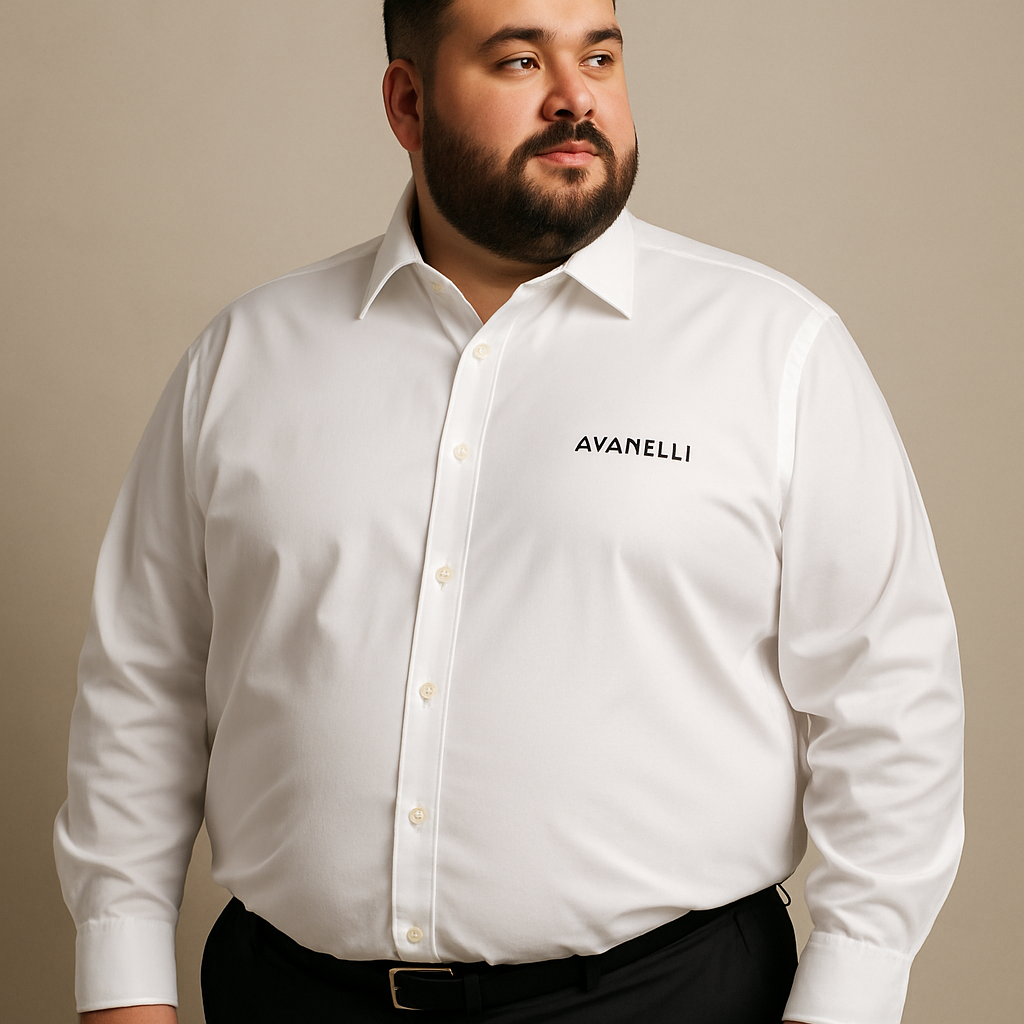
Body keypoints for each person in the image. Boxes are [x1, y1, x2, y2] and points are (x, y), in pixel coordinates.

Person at [55, 1, 964, 1022]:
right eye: (520, 59)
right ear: (407, 101)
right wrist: (123, 983)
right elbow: (144, 685)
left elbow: (890, 705)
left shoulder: (776, 352)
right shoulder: (245, 359)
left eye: (601, 56)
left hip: (662, 999)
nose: (576, 98)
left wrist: (847, 998)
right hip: (287, 995)